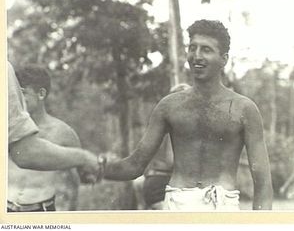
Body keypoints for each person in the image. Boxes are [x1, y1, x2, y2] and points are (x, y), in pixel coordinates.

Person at [101, 20, 273, 211]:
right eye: (193, 48)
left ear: (223, 59)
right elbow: (134, 165)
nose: (197, 56)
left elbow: (263, 183)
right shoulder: (169, 105)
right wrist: (95, 167)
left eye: (206, 49)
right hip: (177, 206)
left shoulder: (244, 109)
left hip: (223, 206)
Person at [8, 62, 103, 212]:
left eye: (23, 93)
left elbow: (78, 183)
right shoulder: (8, 129)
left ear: (41, 94)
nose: (17, 99)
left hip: (42, 211)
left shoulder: (63, 132)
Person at [142, 83, 191, 210]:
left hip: (152, 181)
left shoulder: (161, 122)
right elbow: (171, 160)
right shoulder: (175, 124)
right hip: (162, 184)